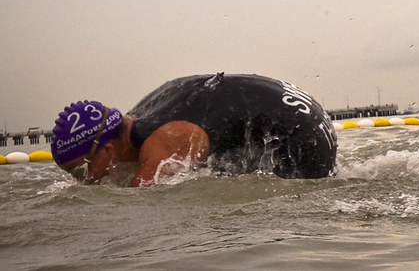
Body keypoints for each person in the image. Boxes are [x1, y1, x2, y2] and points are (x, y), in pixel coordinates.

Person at [50, 73, 338, 186]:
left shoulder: (161, 143)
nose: (83, 182)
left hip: (306, 136)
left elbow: (144, 203)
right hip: (305, 108)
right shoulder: (138, 118)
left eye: (81, 171)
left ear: (108, 150)